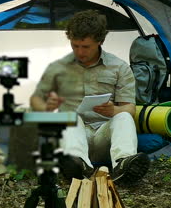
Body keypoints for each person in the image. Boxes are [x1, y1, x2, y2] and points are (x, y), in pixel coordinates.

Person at [30, 10, 149, 184]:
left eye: (85, 47)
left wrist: (114, 110)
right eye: (74, 46)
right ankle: (77, 165)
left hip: (105, 135)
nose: (79, 52)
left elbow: (130, 108)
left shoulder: (119, 67)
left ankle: (123, 165)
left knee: (123, 116)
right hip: (74, 136)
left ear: (100, 41)